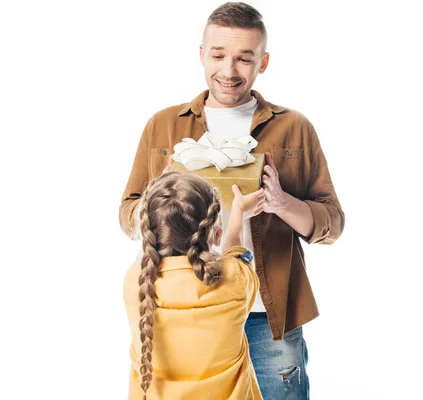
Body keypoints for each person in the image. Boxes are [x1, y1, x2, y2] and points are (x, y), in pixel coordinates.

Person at [119, 3, 345, 398]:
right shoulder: (163, 124)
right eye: (219, 55)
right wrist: (166, 186)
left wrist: (282, 203)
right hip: (185, 307)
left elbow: (332, 223)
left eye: (244, 58)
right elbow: (128, 214)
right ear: (201, 54)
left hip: (268, 317)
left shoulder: (294, 127)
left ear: (264, 61)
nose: (229, 70)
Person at [123, 171, 266, 399]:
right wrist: (238, 211)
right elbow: (235, 253)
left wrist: (164, 186)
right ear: (217, 234)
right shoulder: (235, 279)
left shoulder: (136, 282)